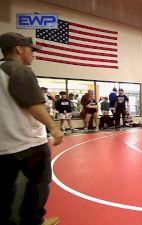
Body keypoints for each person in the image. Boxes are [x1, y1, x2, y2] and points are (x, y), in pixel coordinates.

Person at [0, 32, 64, 225]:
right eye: (31, 49)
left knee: (6, 188)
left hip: (3, 145)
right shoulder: (19, 70)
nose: (33, 54)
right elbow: (33, 105)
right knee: (39, 183)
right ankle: (33, 221)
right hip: (28, 142)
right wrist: (54, 127)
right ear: (18, 49)